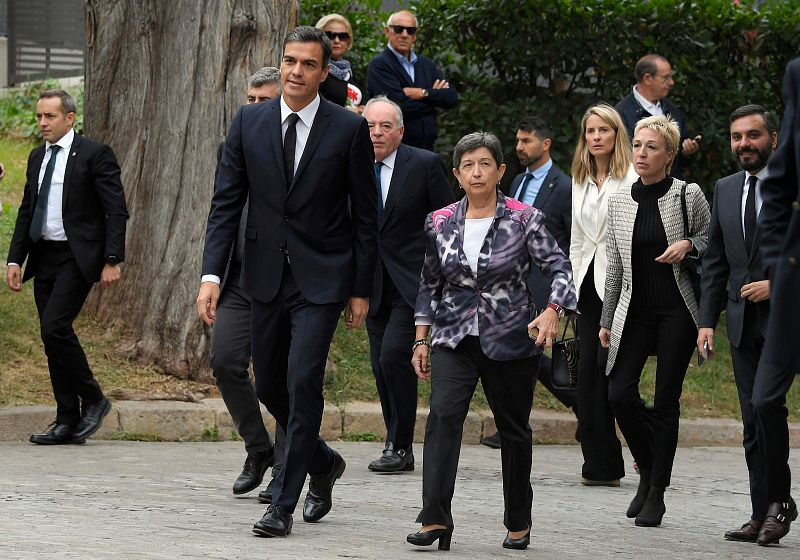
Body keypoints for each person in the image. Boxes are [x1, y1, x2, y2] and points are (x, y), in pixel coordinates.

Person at [197, 27, 378, 538]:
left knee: (302, 382)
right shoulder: (249, 120)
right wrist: (212, 274)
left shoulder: (347, 129)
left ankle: (282, 501)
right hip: (262, 275)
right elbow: (225, 204)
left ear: (324, 72)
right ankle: (323, 462)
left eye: (307, 64)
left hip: (322, 279)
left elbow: (366, 216)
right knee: (269, 383)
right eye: (289, 61)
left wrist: (361, 288)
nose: (295, 72)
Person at [407, 132, 577, 551]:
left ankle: (518, 520)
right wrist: (421, 339)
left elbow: (560, 267)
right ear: (457, 174)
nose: (477, 172)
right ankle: (435, 519)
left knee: (514, 430)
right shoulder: (440, 220)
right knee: (442, 419)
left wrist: (553, 310)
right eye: (468, 165)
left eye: (485, 163)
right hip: (453, 336)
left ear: (501, 171)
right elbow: (429, 282)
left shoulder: (524, 218)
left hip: (511, 338)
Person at [599, 115, 710, 527]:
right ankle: (648, 469)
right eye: (639, 145)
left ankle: (657, 491)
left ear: (669, 155)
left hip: (677, 310)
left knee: (666, 401)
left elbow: (711, 241)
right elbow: (615, 268)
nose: (642, 153)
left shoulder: (688, 193)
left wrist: (688, 245)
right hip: (635, 310)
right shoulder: (620, 200)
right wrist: (607, 318)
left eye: (652, 147)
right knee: (618, 395)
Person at [6, 89, 128, 445]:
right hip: (44, 255)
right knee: (50, 336)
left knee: (54, 328)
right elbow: (28, 209)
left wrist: (111, 259)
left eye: (50, 116)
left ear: (70, 118)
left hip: (78, 257)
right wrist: (15, 258)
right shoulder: (35, 157)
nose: (42, 123)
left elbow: (115, 209)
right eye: (39, 116)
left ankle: (94, 398)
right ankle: (66, 418)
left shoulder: (94, 154)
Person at [697, 104, 778, 543]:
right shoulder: (725, 189)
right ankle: (761, 511)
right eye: (736, 137)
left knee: (769, 411)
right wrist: (707, 322)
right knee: (753, 421)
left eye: (753, 135)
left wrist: (777, 285)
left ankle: (778, 506)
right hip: (743, 326)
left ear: (773, 139)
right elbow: (714, 262)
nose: (744, 144)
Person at [363, 96, 455, 473]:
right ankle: (393, 438)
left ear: (400, 130)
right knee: (379, 365)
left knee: (393, 358)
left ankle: (400, 446)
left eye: (386, 126)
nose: (377, 133)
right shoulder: (352, 166)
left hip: (413, 282)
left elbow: (447, 221)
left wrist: (445, 276)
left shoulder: (424, 164)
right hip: (370, 285)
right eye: (370, 125)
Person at [207, 66, 284, 500]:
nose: (254, 108)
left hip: (288, 280)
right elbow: (223, 210)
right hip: (239, 278)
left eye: (264, 101)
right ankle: (260, 448)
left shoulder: (304, 147)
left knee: (283, 381)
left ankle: (288, 472)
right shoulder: (233, 144)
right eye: (249, 100)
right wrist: (212, 275)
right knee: (224, 361)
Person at [483, 115, 577, 449]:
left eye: (527, 141)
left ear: (546, 144)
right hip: (511, 284)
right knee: (518, 356)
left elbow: (570, 240)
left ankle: (582, 406)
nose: (519, 147)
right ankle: (517, 421)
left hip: (544, 284)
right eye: (518, 140)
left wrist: (562, 287)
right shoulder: (517, 182)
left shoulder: (564, 186)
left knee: (532, 358)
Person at [570, 103, 637, 486]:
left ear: (616, 134)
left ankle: (643, 446)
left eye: (603, 131)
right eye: (590, 131)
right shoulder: (579, 178)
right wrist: (569, 289)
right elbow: (578, 239)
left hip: (621, 285)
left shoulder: (629, 176)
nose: (596, 137)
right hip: (586, 286)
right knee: (588, 378)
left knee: (612, 373)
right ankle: (600, 462)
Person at [751, 57, 800, 547]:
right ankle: (779, 500)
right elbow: (781, 181)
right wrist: (775, 262)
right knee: (764, 399)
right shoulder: (797, 75)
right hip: (793, 283)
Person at [366, 10, 458, 151]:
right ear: (387, 31)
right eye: (398, 29)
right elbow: (397, 109)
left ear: (415, 36)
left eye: (410, 30)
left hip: (428, 147)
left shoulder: (426, 64)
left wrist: (423, 93)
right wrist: (435, 101)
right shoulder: (379, 65)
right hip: (395, 148)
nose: (404, 34)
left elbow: (451, 97)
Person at [615, 54, 700, 180]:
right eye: (666, 78)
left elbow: (679, 163)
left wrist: (686, 152)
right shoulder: (620, 113)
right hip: (636, 191)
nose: (671, 82)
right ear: (648, 78)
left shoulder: (673, 112)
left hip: (672, 190)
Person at [315, 14, 364, 111]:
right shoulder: (315, 69)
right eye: (330, 35)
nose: (337, 40)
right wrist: (346, 112)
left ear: (348, 42)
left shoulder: (349, 72)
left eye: (343, 36)